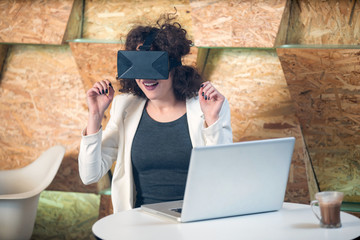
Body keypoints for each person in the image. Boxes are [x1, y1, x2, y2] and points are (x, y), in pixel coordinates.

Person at [78, 13, 233, 213]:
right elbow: (89, 175)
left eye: (154, 65)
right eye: (138, 66)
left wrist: (212, 122)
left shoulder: (207, 107)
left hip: (195, 222)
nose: (146, 77)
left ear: (174, 66)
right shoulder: (124, 107)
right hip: (139, 223)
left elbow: (222, 175)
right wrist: (95, 117)